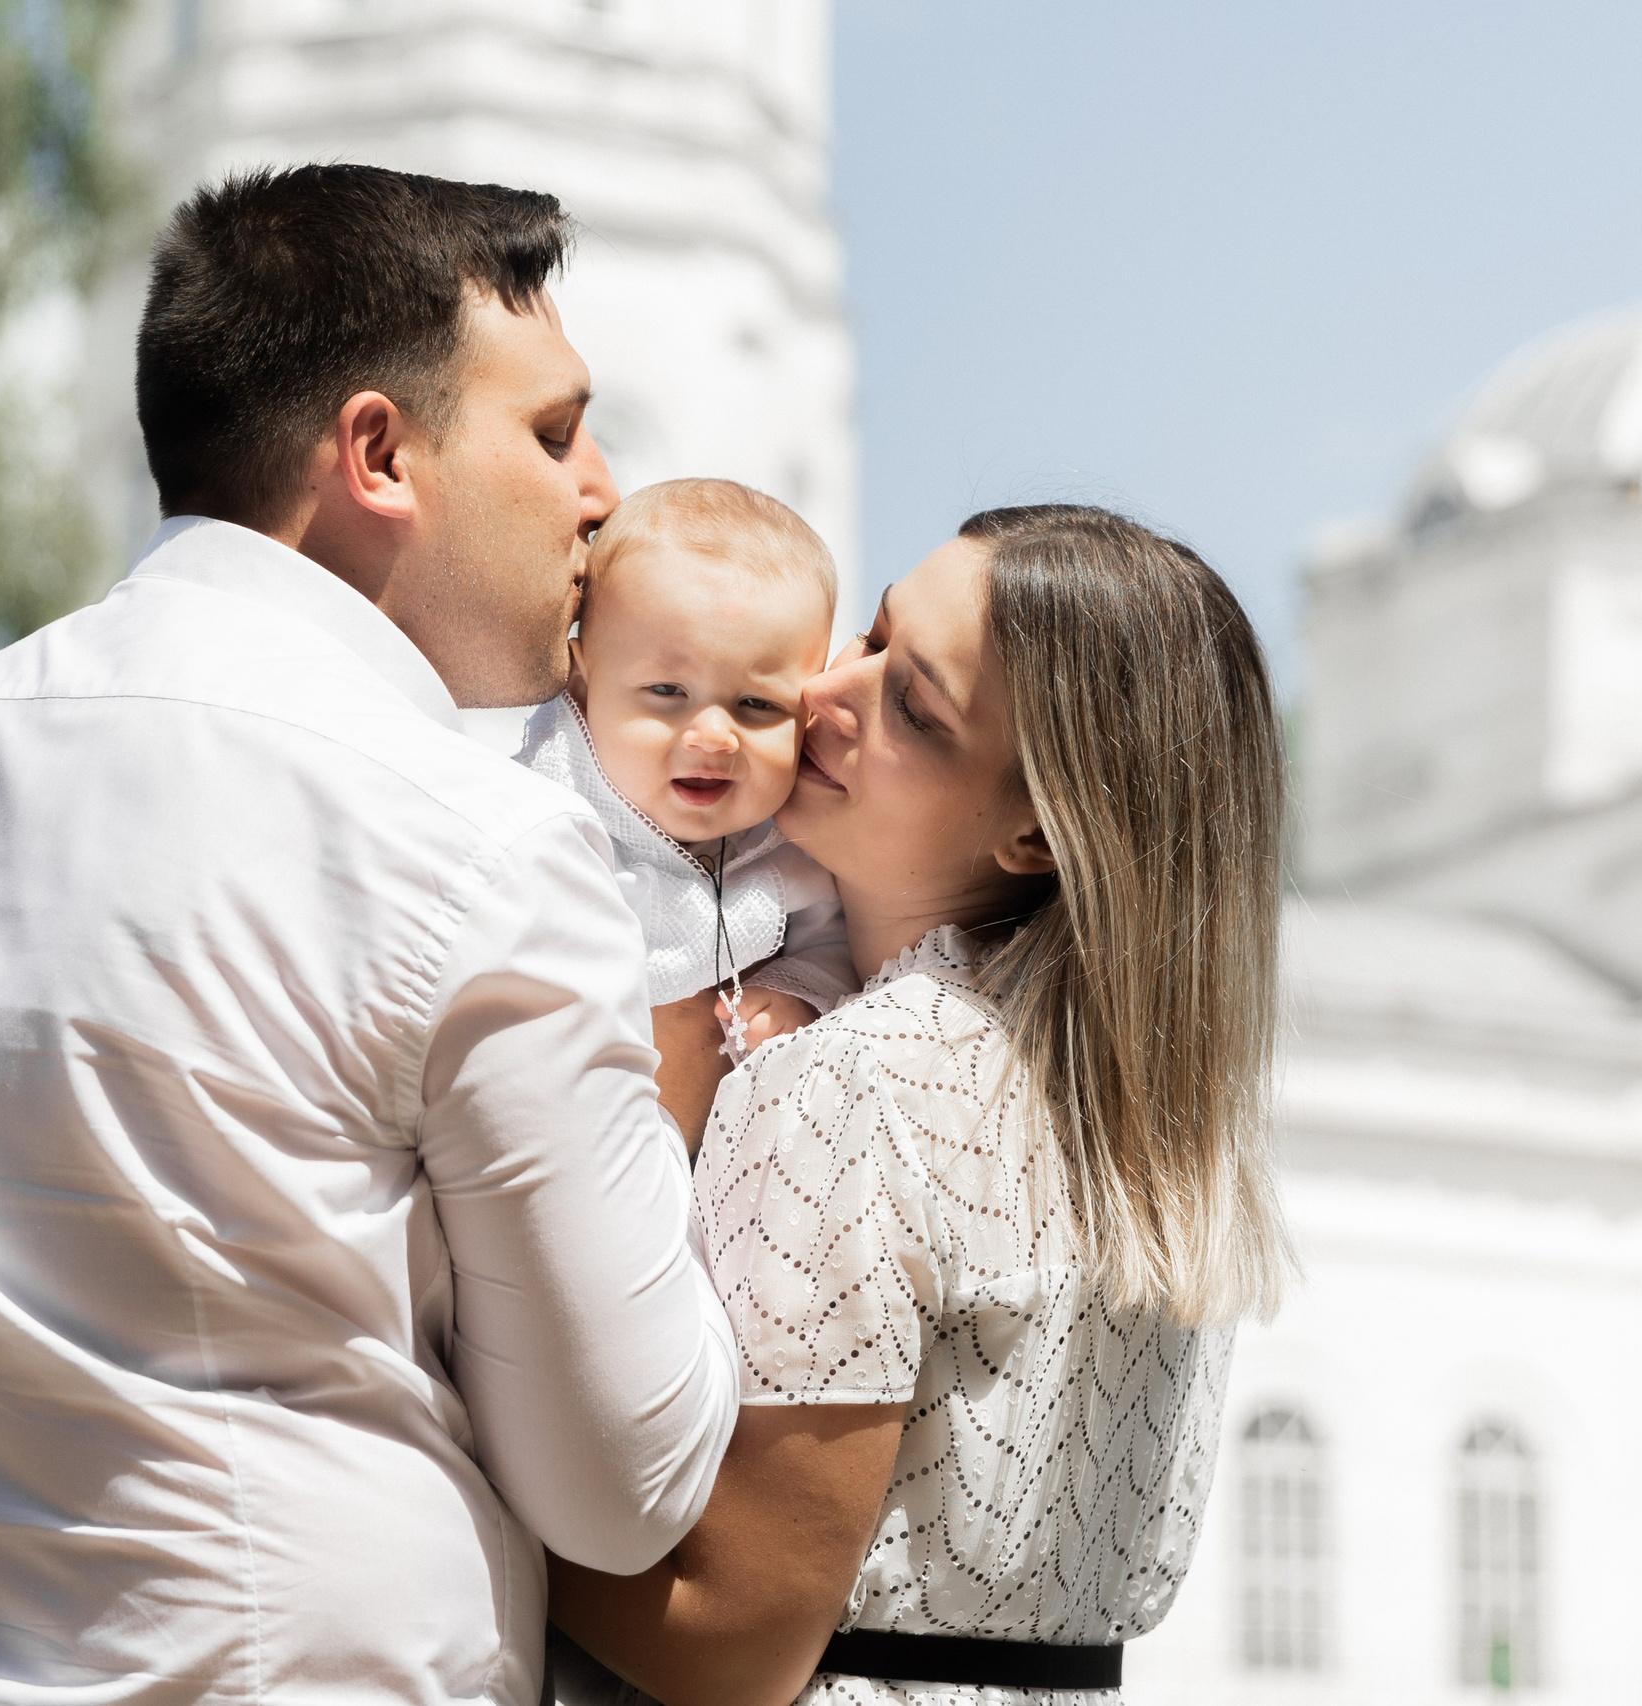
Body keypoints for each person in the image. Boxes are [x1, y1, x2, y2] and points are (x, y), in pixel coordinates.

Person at [0, 165, 740, 1706]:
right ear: (378, 454)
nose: (602, 490)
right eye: (551, 432)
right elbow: (625, 1479)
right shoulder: (466, 838)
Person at [547, 505, 1295, 1706]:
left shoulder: (851, 1081)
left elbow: (733, 1639)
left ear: (1038, 831)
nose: (828, 693)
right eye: (874, 635)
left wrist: (437, 1467)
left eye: (916, 709)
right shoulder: (1153, 1128)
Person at [512, 479, 855, 1079]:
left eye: (758, 706)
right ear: (583, 683)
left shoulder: (787, 852)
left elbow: (832, 947)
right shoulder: (539, 816)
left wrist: (798, 990)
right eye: (667, 692)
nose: (714, 737)